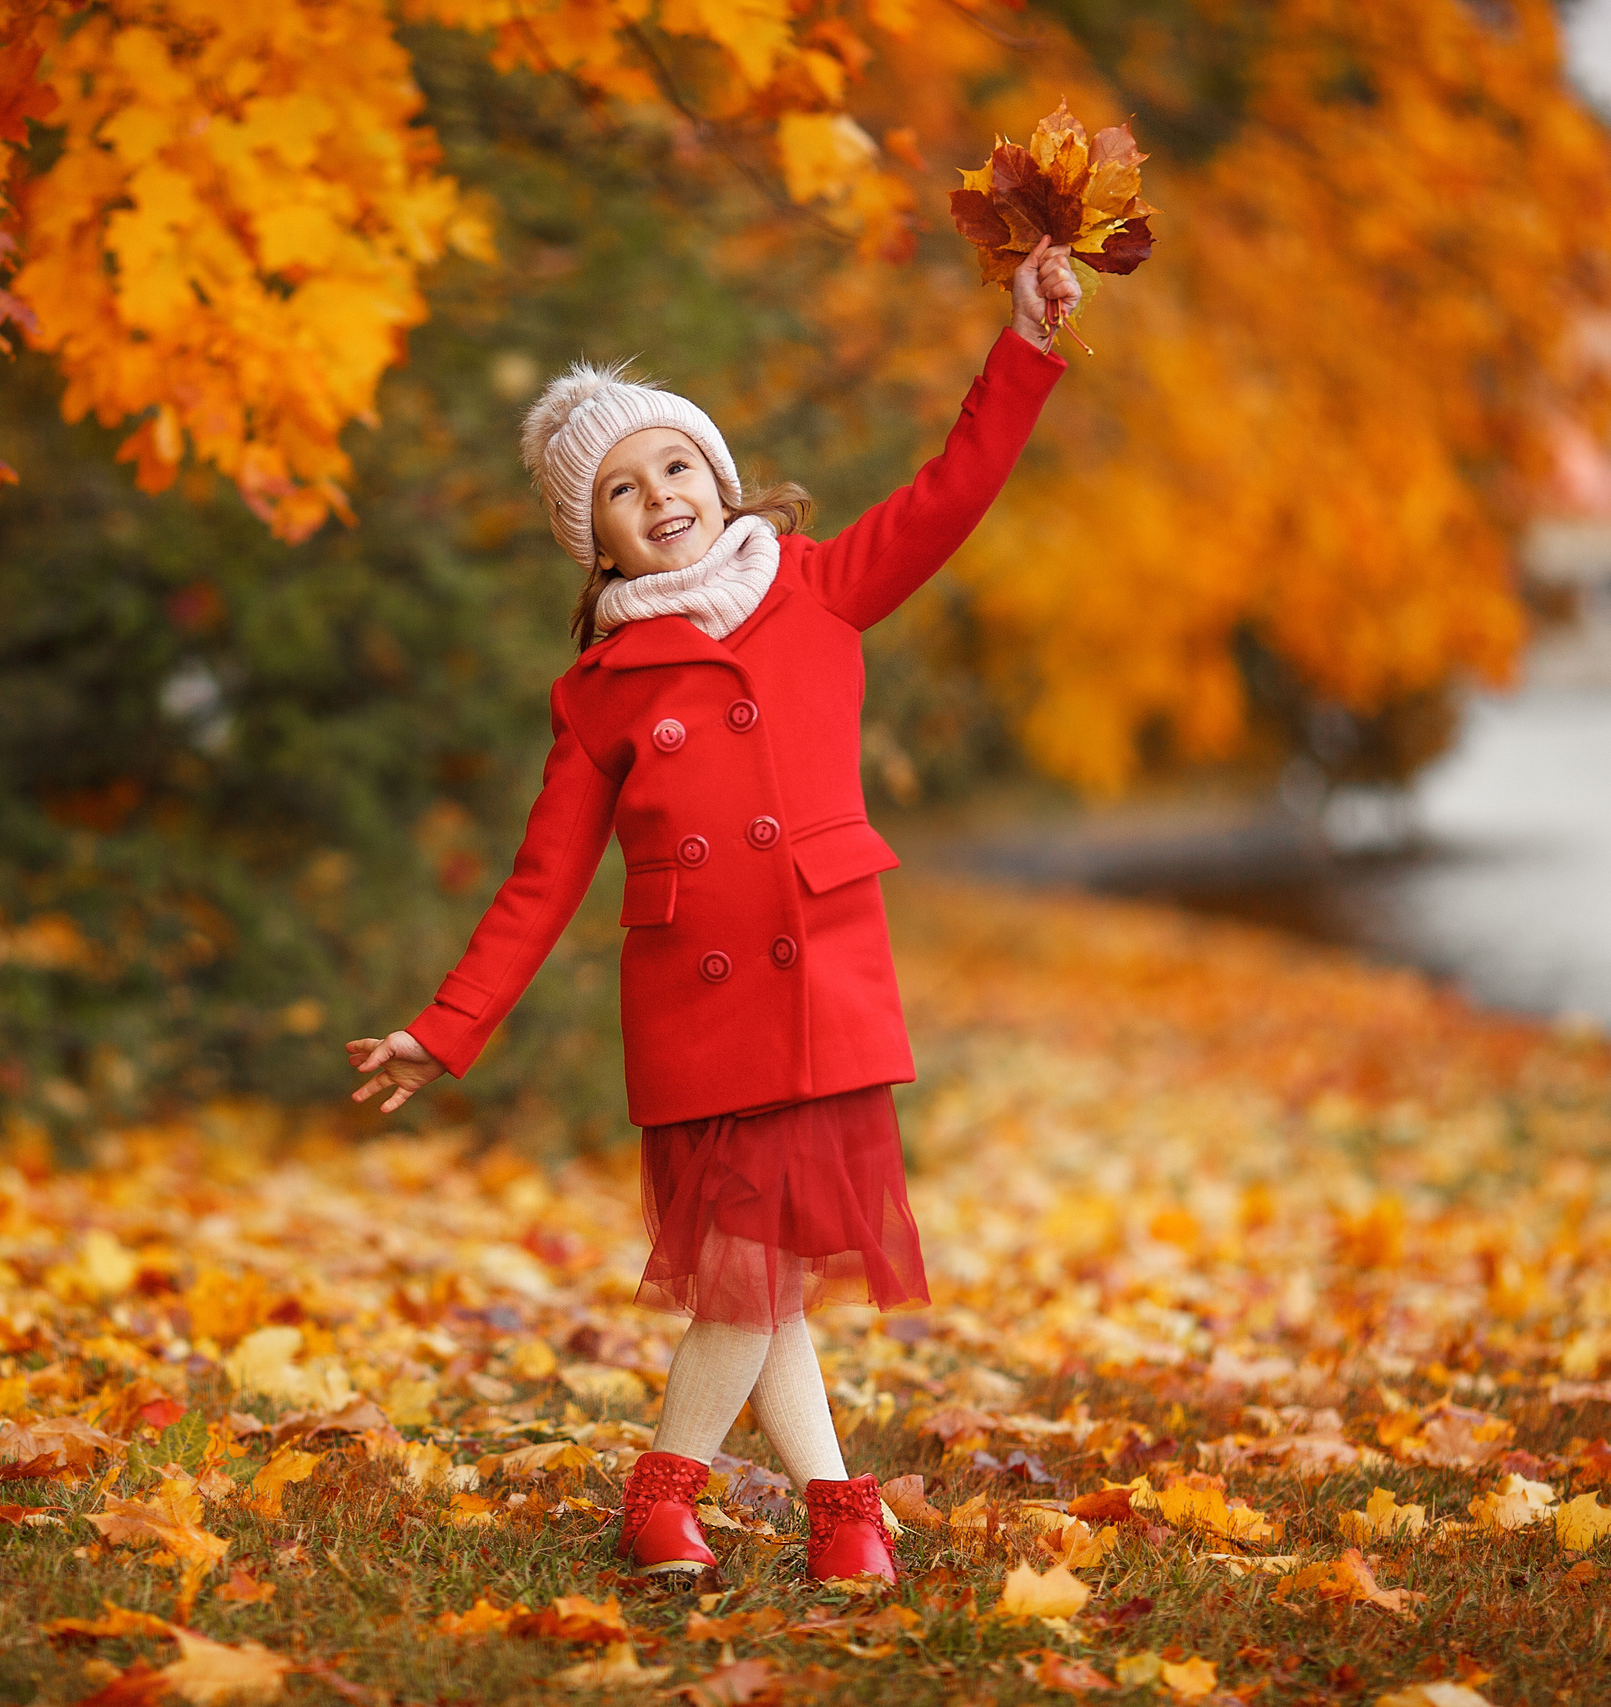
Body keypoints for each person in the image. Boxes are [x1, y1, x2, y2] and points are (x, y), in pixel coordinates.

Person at [347, 240, 1083, 1583]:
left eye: (673, 466)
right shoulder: (602, 689)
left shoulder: (817, 586)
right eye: (620, 493)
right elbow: (541, 880)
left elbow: (951, 491)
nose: (658, 498)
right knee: (756, 1279)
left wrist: (1024, 349)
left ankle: (821, 1511)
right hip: (704, 1021)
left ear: (717, 473)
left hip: (830, 993)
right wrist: (441, 1030)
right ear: (594, 535)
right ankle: (716, 1500)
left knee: (765, 1282)